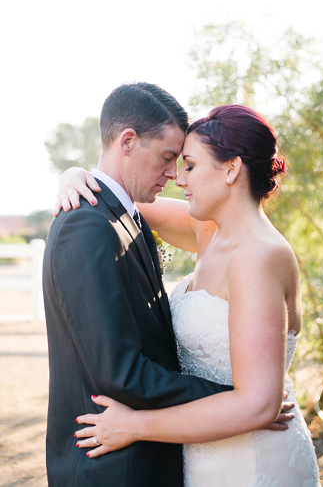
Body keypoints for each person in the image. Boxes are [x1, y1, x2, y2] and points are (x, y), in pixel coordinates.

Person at [45, 83, 299, 487]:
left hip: (247, 457)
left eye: (189, 165)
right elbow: (118, 198)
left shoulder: (258, 255)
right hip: (193, 450)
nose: (178, 177)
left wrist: (138, 425)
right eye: (172, 160)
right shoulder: (205, 229)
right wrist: (74, 176)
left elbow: (256, 403)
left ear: (231, 169)